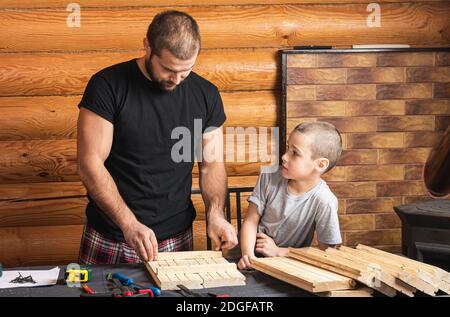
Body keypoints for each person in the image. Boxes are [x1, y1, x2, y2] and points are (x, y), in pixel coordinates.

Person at [77, 10, 237, 265]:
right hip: (113, 234)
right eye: (168, 69)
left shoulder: (206, 95)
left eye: (186, 71)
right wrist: (129, 224)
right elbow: (90, 164)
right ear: (147, 46)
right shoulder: (107, 85)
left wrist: (215, 214)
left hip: (177, 237)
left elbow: (212, 165)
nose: (176, 79)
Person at [238, 121, 343, 269]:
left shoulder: (325, 201)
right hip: (250, 256)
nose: (284, 157)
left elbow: (327, 252)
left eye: (295, 153)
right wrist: (249, 256)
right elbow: (250, 221)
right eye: (288, 148)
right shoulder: (268, 176)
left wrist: (279, 251)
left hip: (290, 266)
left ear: (320, 165)